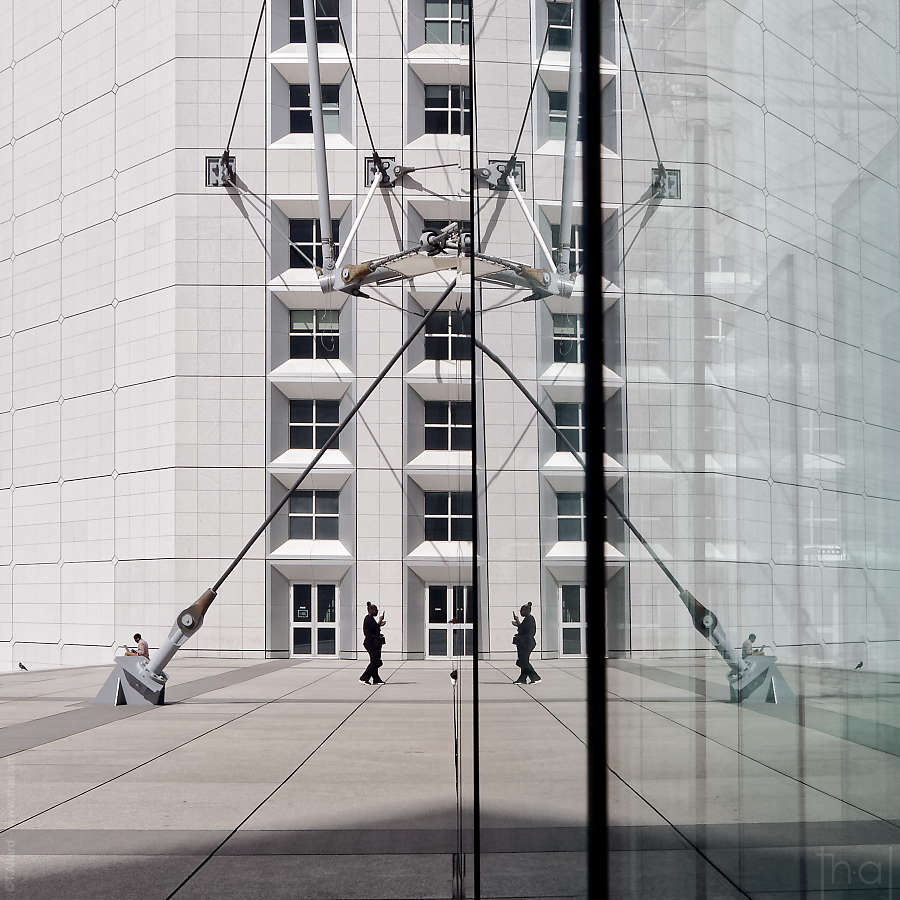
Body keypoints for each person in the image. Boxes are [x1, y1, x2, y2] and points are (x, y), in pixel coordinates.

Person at [512, 602, 541, 684]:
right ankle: (522, 678)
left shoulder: (529, 619)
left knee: (523, 662)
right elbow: (523, 629)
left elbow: (526, 631)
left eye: (522, 611)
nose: (521, 612)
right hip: (524, 643)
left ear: (526, 611)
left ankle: (536, 677)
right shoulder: (527, 619)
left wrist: (517, 622)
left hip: (527, 643)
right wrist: (518, 623)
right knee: (522, 661)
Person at [360, 603, 386, 685]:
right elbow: (374, 630)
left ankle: (376, 679)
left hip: (373, 643)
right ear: (371, 610)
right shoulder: (368, 618)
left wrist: (379, 624)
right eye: (376, 610)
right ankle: (363, 678)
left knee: (375, 661)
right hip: (371, 643)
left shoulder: (370, 619)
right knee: (375, 662)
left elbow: (374, 629)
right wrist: (380, 621)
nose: (377, 611)